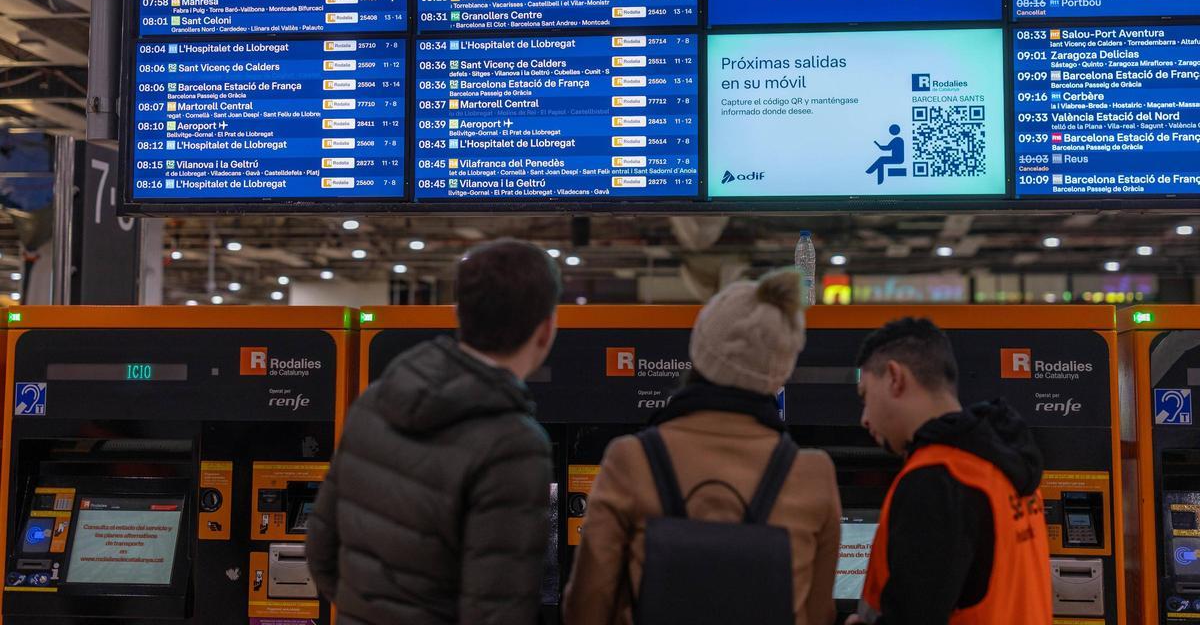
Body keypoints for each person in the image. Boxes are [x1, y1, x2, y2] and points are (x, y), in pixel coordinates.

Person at [564, 269, 841, 625]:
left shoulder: (631, 459)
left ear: (699, 348)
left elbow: (586, 608)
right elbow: (820, 613)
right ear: (781, 371)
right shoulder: (812, 473)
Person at [307, 238, 560, 625]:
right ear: (545, 330)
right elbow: (496, 612)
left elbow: (321, 551)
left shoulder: (375, 401)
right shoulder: (514, 442)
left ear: (461, 315)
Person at [847, 317, 1052, 625]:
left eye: (865, 395)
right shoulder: (1002, 463)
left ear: (894, 377)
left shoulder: (936, 479)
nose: (864, 417)